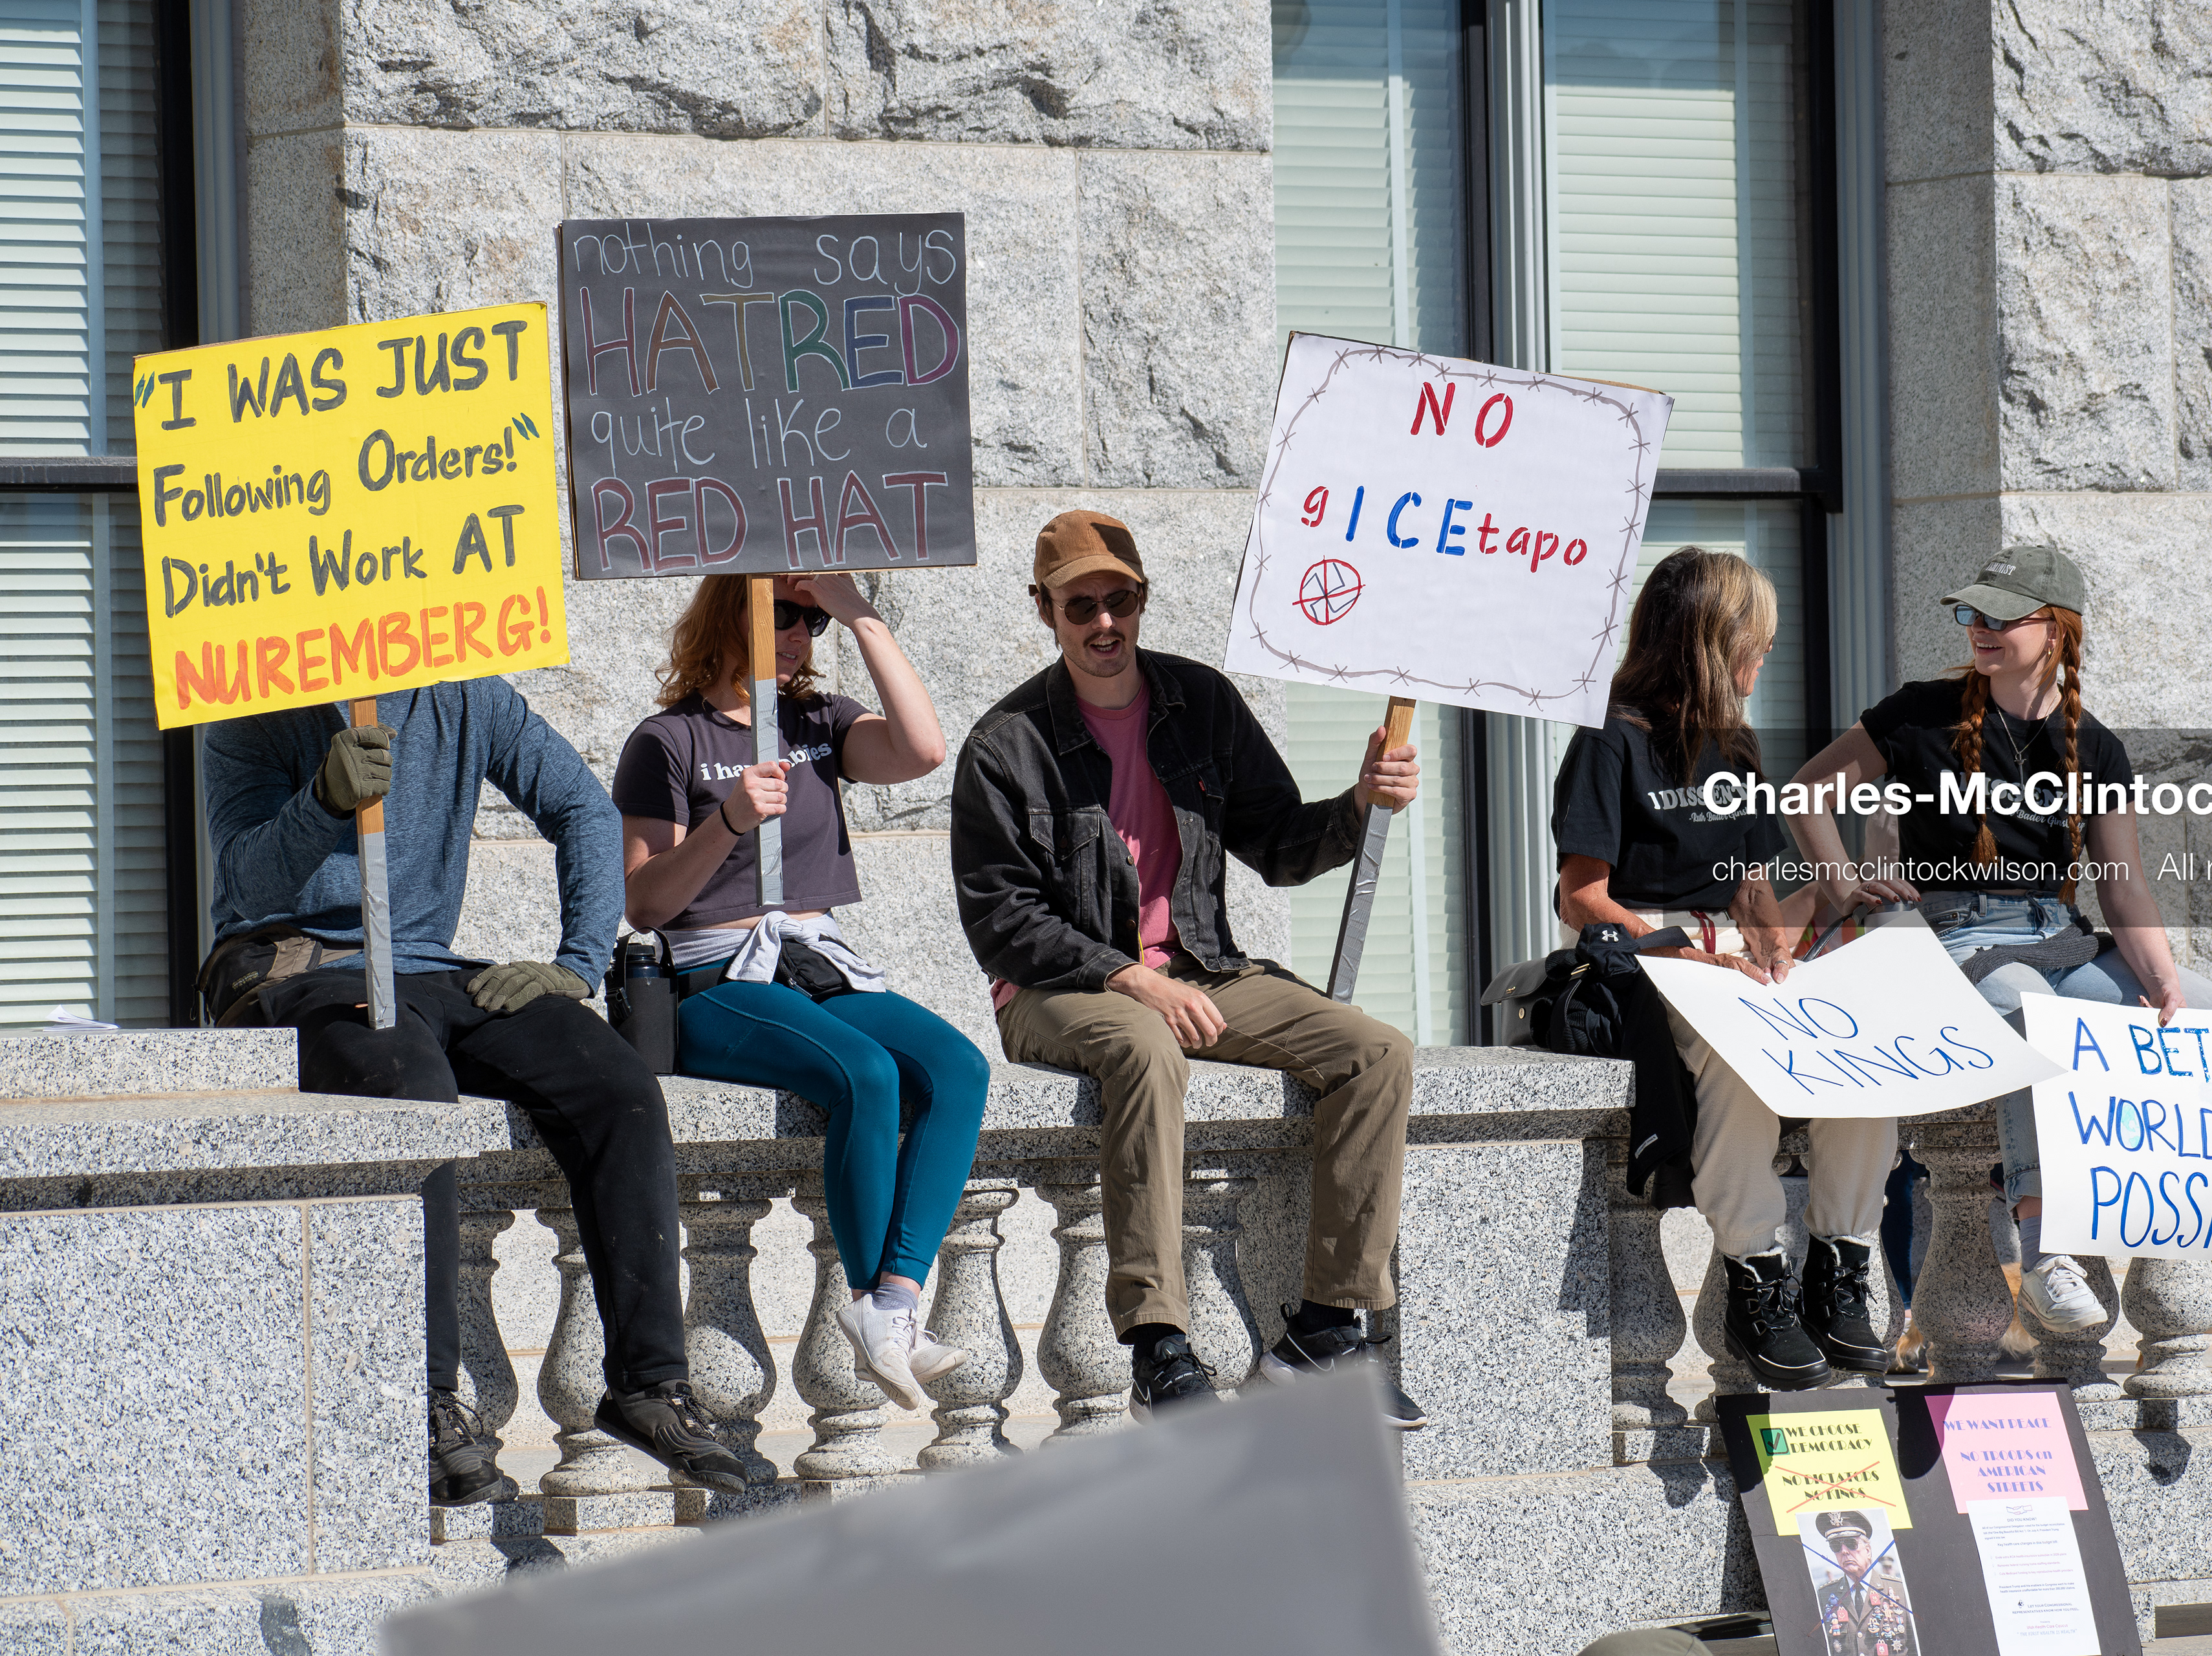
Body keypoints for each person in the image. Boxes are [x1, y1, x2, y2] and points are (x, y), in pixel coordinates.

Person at [201, 681, 743, 1505]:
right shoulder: (254, 701)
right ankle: (427, 1406)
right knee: (415, 1091)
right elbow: (243, 878)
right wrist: (320, 800)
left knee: (618, 1084)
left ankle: (648, 1384)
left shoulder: (467, 693)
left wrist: (577, 961)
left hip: (427, 963)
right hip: (294, 964)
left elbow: (585, 811)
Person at [1784, 545, 2212, 1346]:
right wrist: (1843, 886)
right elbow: (1807, 793)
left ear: (2057, 630)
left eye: (2000, 616)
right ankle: (2045, 1252)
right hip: (1958, 936)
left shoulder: (2095, 746)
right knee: (2024, 1015)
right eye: (1972, 614)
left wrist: (2163, 981)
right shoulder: (1916, 714)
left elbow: (2124, 886)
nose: (1979, 629)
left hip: (2062, 937)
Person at [949, 509, 1427, 1426]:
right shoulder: (1006, 743)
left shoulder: (1199, 703)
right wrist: (1126, 976)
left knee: (1377, 1052)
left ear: (1142, 600)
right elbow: (1001, 920)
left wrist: (1361, 801)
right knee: (1145, 1047)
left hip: (1202, 966)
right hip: (1058, 989)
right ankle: (1158, 1342)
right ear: (1043, 609)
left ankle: (1327, 1330)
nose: (1102, 622)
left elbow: (1280, 846)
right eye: (1078, 604)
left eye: (1118, 599)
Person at [614, 572, 988, 1411]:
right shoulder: (667, 739)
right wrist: (731, 821)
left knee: (957, 1068)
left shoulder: (819, 723)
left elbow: (924, 751)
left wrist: (859, 614)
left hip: (815, 962)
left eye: (810, 622)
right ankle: (869, 1307)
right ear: (729, 615)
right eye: (784, 615)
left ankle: (896, 1301)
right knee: (865, 1073)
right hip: (711, 976)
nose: (799, 635)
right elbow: (644, 904)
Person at [1550, 547, 1888, 1391]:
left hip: (1729, 958)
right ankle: (1755, 1278)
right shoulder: (1609, 740)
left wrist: (1816, 912)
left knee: (1869, 1059)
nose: (1767, 655)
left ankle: (1840, 1264)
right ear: (1712, 639)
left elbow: (1752, 887)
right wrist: (1684, 949)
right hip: (1650, 958)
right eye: (1758, 639)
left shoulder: (1733, 747)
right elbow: (1581, 897)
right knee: (1739, 1065)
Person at [1813, 1511, 1916, 1656]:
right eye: (1836, 1546)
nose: (1844, 1551)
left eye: (1851, 1543)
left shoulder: (1900, 1590)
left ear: (1868, 1550)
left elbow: (1916, 1647)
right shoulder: (1824, 1596)